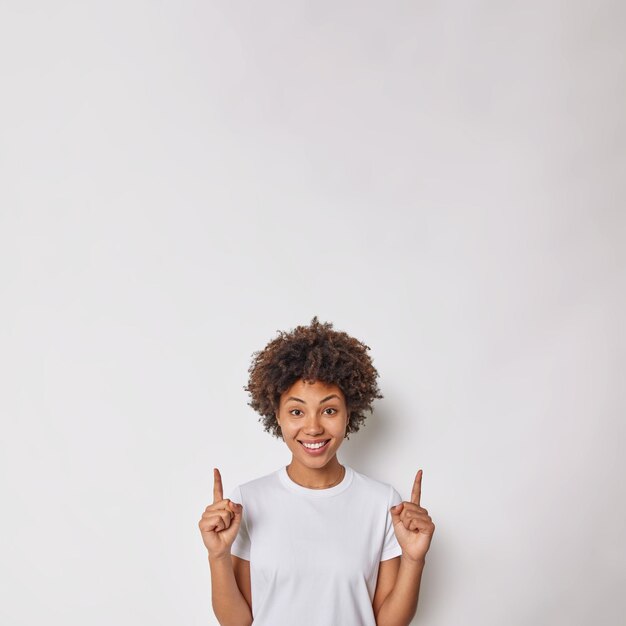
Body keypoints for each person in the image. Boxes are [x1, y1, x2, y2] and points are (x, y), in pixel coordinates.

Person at [198, 317, 435, 626]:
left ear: (349, 413)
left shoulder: (382, 503)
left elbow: (388, 623)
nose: (312, 427)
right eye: (297, 411)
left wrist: (414, 560)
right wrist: (217, 556)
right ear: (277, 416)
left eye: (329, 410)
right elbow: (237, 622)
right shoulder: (248, 500)